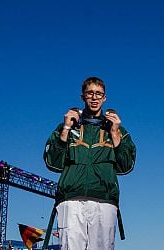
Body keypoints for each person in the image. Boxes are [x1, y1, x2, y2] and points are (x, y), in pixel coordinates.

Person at [43, 76, 136, 249]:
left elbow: (126, 166)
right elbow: (52, 164)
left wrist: (115, 133)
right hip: (71, 200)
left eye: (99, 94)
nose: (94, 97)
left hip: (105, 199)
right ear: (82, 97)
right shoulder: (67, 126)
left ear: (104, 98)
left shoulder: (117, 128)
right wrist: (65, 130)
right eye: (90, 93)